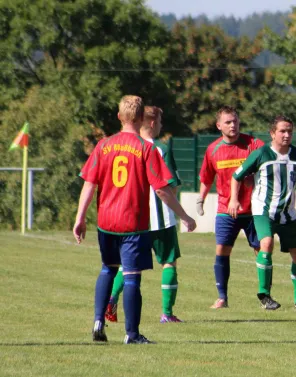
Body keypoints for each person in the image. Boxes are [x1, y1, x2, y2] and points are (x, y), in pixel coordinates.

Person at [73, 95, 196, 344]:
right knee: (131, 277)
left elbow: (89, 184)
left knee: (108, 269)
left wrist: (80, 218)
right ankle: (132, 334)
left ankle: (98, 320)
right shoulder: (145, 148)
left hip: (106, 222)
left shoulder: (103, 146)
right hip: (133, 223)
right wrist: (184, 216)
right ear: (141, 119)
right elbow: (161, 189)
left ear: (119, 117)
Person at [105, 106, 186, 324]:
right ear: (152, 123)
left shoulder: (125, 147)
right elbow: (170, 186)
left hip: (133, 217)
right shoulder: (160, 149)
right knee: (169, 262)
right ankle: (167, 313)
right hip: (161, 219)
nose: (161, 125)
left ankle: (111, 300)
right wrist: (182, 214)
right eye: (160, 121)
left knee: (127, 265)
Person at [229, 115, 296, 311]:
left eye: (290, 131)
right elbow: (237, 176)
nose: (287, 135)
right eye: (282, 131)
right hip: (263, 210)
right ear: (272, 133)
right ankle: (264, 295)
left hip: (288, 214)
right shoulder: (261, 154)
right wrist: (234, 199)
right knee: (266, 243)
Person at [197, 106, 265, 309]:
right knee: (222, 250)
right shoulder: (213, 149)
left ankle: (265, 296)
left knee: (261, 250)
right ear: (219, 126)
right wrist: (200, 200)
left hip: (254, 209)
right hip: (226, 210)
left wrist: (258, 175)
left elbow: (271, 160)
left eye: (235, 121)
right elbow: (206, 178)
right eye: (228, 122)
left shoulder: (253, 144)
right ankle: (222, 297)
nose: (233, 125)